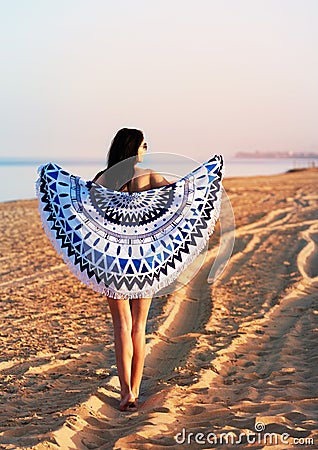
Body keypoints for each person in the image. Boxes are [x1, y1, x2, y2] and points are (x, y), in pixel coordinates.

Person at [93, 128, 171, 411]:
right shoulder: (149, 175)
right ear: (134, 148)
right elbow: (178, 200)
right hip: (143, 260)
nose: (146, 149)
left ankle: (125, 391)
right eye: (144, 144)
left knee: (121, 327)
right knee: (139, 327)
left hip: (112, 260)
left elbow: (91, 219)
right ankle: (135, 391)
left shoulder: (102, 180)